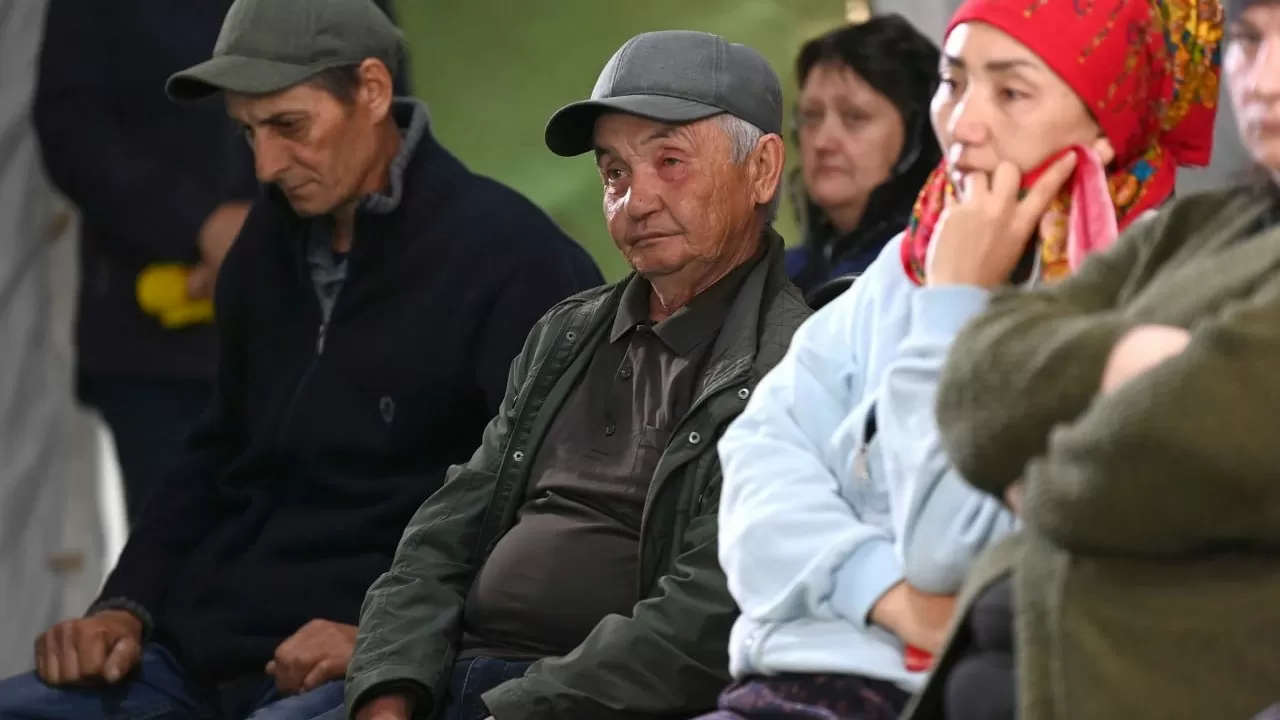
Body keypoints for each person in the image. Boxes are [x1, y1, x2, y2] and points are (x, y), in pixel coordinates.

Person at [0, 0, 602, 717]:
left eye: (289, 126)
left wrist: (401, 642)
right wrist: (122, 608)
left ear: (374, 91)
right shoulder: (266, 248)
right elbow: (214, 456)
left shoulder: (515, 263)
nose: (264, 165)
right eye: (246, 132)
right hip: (202, 652)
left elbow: (566, 510)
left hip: (366, 658)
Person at [706, 0, 1222, 718]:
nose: (964, 124)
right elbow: (755, 463)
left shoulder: (1156, 302)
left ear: (1110, 118)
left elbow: (948, 550)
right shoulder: (911, 257)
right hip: (784, 681)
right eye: (953, 83)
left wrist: (954, 307)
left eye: (1011, 92)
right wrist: (886, 595)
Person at [340, 30, 810, 720]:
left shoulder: (798, 362)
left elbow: (708, 617)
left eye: (670, 161)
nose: (635, 200)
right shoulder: (566, 332)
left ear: (763, 170)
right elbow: (445, 531)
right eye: (614, 172)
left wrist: (512, 710)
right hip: (448, 681)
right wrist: (388, 689)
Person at [907, 2, 1280, 719]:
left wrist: (1031, 474)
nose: (1260, 80)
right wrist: (1132, 360)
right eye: (1247, 40)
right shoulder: (1200, 228)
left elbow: (1174, 447)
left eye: (1011, 91)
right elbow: (973, 385)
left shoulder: (1136, 235)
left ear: (1105, 118)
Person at [32, 0, 407, 523]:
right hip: (158, 346)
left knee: (327, 563)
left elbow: (382, 109)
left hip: (319, 333)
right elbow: (72, 125)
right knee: (179, 576)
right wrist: (202, 224)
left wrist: (271, 237)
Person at [784, 15, 941, 309]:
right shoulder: (781, 275)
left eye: (855, 117)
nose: (822, 142)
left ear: (918, 137)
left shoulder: (934, 270)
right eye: (811, 116)